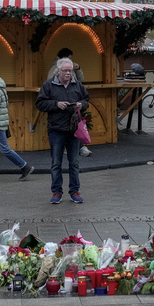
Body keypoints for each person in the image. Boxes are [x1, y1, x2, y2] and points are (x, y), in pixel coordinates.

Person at [36, 58, 90, 204]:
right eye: (65, 70)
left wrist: (81, 105)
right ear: (58, 71)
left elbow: (86, 100)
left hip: (73, 130)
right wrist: (56, 104)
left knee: (74, 162)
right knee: (56, 163)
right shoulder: (48, 85)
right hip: (56, 129)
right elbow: (40, 103)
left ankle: (75, 191)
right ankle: (56, 192)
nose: (68, 73)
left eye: (70, 70)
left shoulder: (77, 85)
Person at [46, 48, 90, 156]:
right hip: (60, 109)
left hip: (72, 106)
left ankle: (78, 147)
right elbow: (51, 87)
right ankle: (77, 147)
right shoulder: (54, 69)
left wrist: (78, 68)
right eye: (70, 57)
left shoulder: (70, 69)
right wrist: (56, 103)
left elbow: (81, 79)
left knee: (74, 126)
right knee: (67, 129)